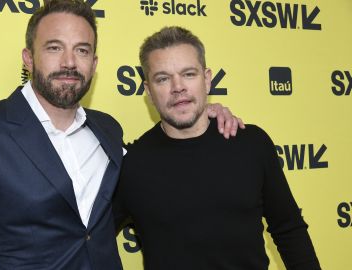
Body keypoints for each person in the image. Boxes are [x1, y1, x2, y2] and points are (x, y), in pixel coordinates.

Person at [0, 1, 241, 269]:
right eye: (54, 47)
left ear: (94, 64)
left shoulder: (107, 130)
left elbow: (156, 168)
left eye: (82, 50)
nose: (69, 62)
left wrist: (205, 117)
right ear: (28, 58)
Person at [113, 26, 321, 269]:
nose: (177, 86)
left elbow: (289, 229)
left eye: (188, 74)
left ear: (207, 79)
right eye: (163, 78)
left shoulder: (252, 144)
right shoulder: (131, 165)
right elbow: (89, 239)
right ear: (148, 91)